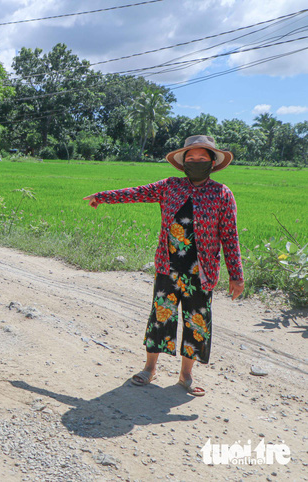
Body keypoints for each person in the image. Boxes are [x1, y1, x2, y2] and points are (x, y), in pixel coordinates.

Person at [83, 135, 245, 396]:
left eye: (202, 159)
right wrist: (103, 196)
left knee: (197, 323)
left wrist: (236, 275)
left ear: (212, 162)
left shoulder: (222, 193)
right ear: (183, 164)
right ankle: (149, 368)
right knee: (161, 318)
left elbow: (229, 236)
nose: (196, 162)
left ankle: (186, 375)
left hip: (201, 273)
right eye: (190, 159)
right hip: (168, 267)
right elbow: (137, 193)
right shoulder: (170, 186)